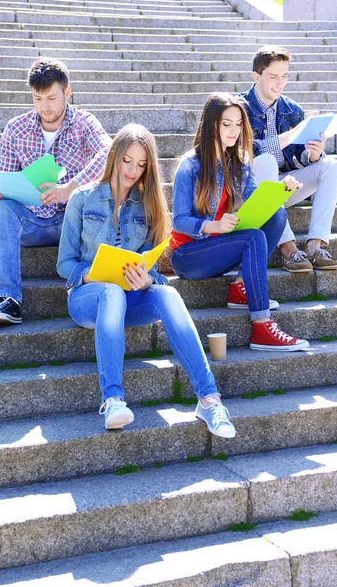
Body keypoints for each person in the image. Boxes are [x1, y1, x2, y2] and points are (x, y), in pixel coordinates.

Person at [57, 123, 236, 438]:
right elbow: (64, 264)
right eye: (127, 160)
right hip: (88, 299)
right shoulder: (83, 199)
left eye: (141, 165)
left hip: (130, 298)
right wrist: (90, 273)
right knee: (110, 291)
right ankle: (112, 399)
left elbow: (151, 265)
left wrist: (145, 280)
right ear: (114, 157)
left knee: (168, 296)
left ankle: (209, 399)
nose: (132, 170)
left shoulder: (147, 205)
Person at [170, 92, 309, 352]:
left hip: (218, 248)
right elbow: (179, 221)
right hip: (188, 256)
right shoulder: (190, 166)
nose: (234, 131)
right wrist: (213, 225)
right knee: (252, 237)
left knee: (277, 214)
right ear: (212, 125)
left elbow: (256, 200)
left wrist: (282, 188)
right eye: (226, 124)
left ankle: (240, 288)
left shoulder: (239, 161)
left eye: (238, 124)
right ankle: (262, 326)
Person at [0, 58, 112, 326]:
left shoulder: (85, 122)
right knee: (2, 208)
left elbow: (109, 153)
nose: (45, 106)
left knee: (100, 201)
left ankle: (93, 288)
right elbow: (4, 177)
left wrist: (70, 188)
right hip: (34, 221)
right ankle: (8, 300)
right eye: (38, 98)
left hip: (74, 223)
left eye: (51, 97)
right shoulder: (16, 129)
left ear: (67, 93)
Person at [240, 46, 337, 273]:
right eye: (273, 76)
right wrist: (285, 138)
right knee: (265, 160)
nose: (280, 83)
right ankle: (287, 247)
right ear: (256, 76)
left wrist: (312, 155)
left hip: (286, 185)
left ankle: (315, 246)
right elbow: (245, 152)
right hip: (252, 190)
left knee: (331, 165)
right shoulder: (239, 108)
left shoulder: (292, 108)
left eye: (284, 76)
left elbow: (298, 154)